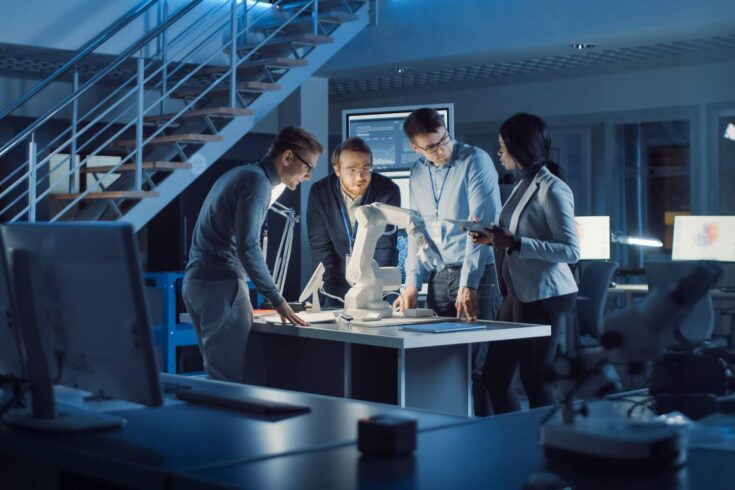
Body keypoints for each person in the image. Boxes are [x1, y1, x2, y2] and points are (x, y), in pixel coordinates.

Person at [182, 127, 324, 383]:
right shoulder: (257, 183)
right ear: (288, 157)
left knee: (218, 375)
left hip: (197, 282)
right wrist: (277, 298)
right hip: (221, 286)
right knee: (229, 380)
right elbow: (248, 246)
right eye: (307, 167)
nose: (308, 176)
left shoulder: (239, 174)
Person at [392, 107, 502, 416]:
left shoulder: (474, 160)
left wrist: (468, 284)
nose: (442, 150)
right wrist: (411, 284)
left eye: (444, 140)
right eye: (431, 147)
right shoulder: (416, 172)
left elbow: (481, 225)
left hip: (479, 274)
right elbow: (416, 229)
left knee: (476, 371)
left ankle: (486, 440)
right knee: (440, 366)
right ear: (415, 148)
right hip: (438, 277)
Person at [471, 113, 579, 414]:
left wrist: (515, 243)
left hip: (544, 294)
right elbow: (516, 232)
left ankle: (546, 445)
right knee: (495, 378)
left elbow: (571, 251)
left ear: (518, 149)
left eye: (502, 146)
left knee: (535, 381)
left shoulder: (553, 189)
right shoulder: (522, 184)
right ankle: (515, 439)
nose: (499, 152)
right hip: (518, 291)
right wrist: (492, 237)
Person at [307, 137, 400, 305]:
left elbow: (385, 246)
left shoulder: (388, 190)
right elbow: (320, 250)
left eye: (366, 169)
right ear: (337, 169)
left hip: (377, 283)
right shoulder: (320, 193)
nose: (360, 177)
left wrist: (375, 292)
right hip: (335, 287)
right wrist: (319, 300)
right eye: (352, 170)